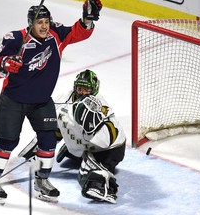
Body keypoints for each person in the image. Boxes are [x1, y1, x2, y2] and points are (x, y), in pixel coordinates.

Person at [0, 0, 103, 205]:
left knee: (48, 141)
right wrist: (6, 64)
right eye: (40, 22)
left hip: (41, 101)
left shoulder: (55, 35)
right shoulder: (15, 39)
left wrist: (88, 19)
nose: (44, 26)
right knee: (8, 142)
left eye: (47, 21)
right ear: (31, 23)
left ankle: (42, 180)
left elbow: (78, 32)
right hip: (13, 100)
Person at [21, 69, 126, 203]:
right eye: (80, 88)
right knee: (77, 149)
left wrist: (91, 127)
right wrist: (42, 143)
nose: (82, 92)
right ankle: (74, 149)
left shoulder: (100, 105)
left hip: (109, 150)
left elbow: (109, 137)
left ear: (94, 89)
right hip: (84, 147)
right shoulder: (62, 100)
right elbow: (57, 126)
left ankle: (103, 185)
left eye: (86, 89)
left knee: (86, 174)